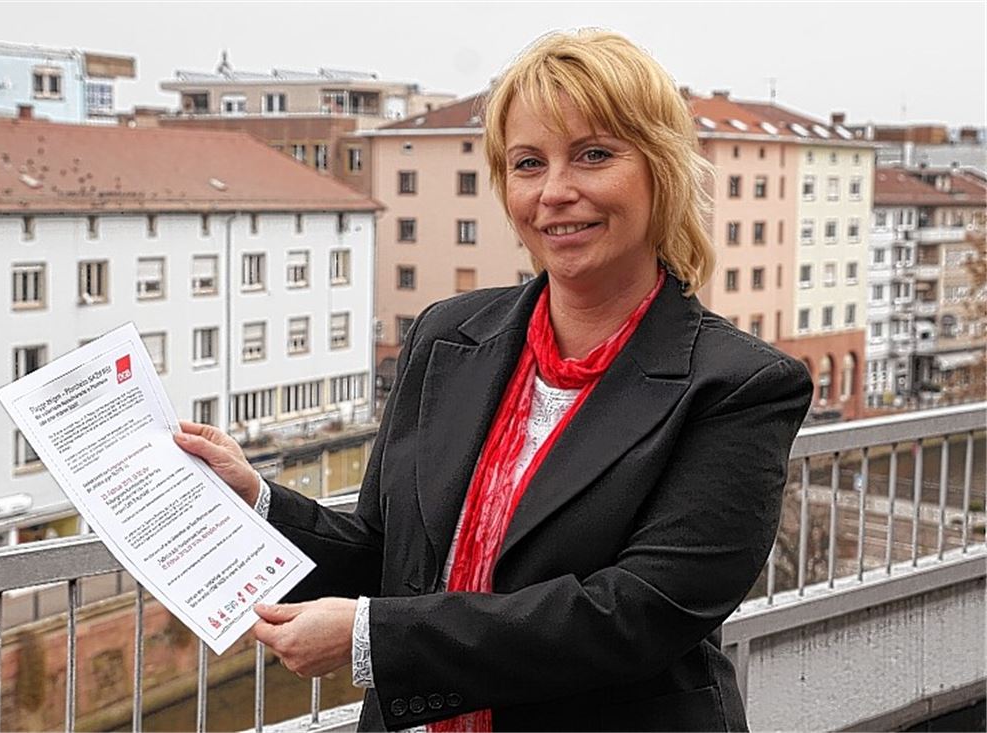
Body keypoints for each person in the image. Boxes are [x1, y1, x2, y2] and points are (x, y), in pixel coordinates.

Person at [176, 30, 813, 732]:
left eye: (594, 155)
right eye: (528, 163)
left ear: (659, 169)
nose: (556, 192)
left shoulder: (739, 385)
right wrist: (258, 500)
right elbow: (389, 558)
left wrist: (372, 639)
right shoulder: (447, 336)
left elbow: (637, 614)